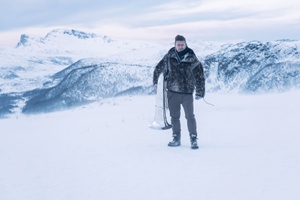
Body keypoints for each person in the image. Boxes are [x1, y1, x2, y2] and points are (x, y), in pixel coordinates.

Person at [153, 35, 205, 149]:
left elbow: (199, 75)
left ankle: (193, 139)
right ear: (175, 45)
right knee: (174, 117)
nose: (180, 46)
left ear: (185, 44)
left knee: (190, 117)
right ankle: (176, 138)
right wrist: (156, 82)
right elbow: (158, 68)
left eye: (182, 45)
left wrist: (200, 92)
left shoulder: (192, 57)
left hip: (187, 92)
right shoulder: (169, 56)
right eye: (178, 45)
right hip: (172, 91)